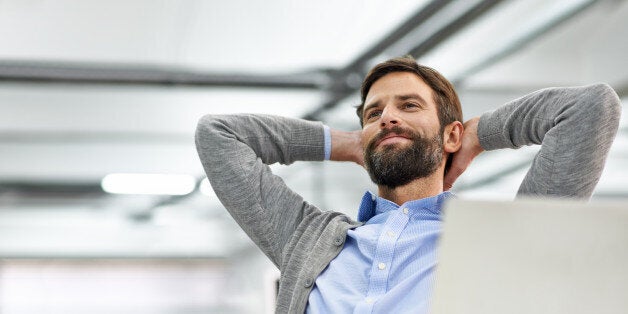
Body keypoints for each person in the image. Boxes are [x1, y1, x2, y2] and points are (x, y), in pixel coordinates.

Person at [195, 56, 621, 313]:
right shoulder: (308, 240)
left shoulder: (506, 239)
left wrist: (477, 134)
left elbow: (590, 109)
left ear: (450, 135)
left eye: (409, 105)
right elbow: (218, 135)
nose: (387, 117)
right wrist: (349, 144)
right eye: (373, 113)